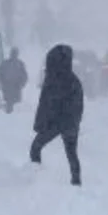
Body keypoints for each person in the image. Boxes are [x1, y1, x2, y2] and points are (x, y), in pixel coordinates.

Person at [30, 43, 83, 186]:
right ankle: (76, 182)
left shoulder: (53, 80)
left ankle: (35, 178)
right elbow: (78, 106)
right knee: (72, 153)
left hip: (55, 123)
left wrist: (41, 124)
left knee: (36, 147)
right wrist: (75, 123)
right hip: (70, 123)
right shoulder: (74, 80)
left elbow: (45, 105)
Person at [0, 47, 28, 113]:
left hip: (14, 87)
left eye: (15, 53)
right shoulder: (6, 63)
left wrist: (21, 84)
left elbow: (24, 76)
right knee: (11, 103)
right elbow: (0, 74)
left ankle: (10, 113)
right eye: (13, 53)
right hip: (10, 87)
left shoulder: (19, 63)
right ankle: (9, 114)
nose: (14, 55)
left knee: (14, 104)